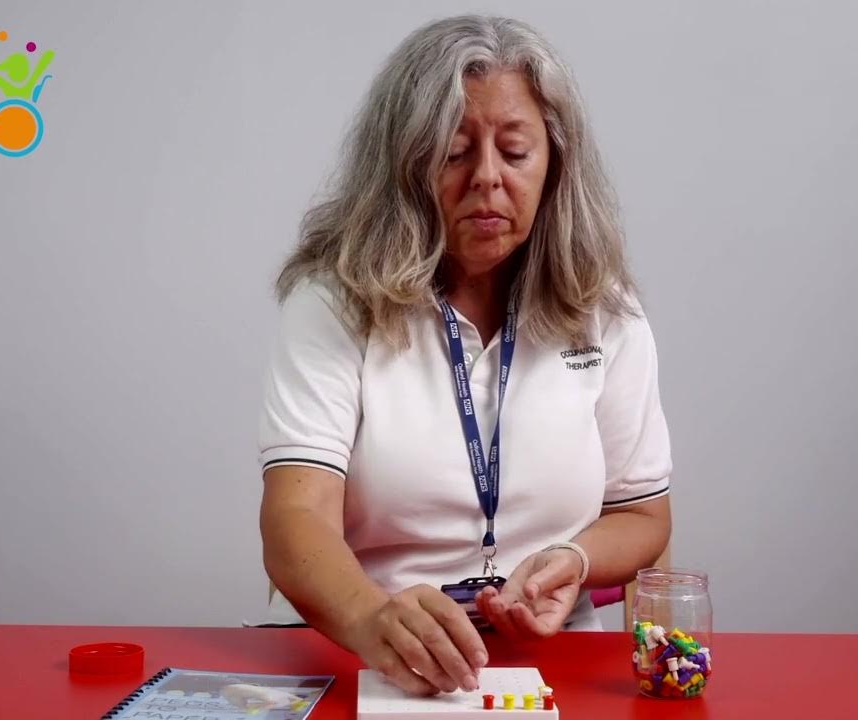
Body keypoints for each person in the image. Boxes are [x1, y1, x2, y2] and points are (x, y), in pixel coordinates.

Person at [258, 15, 673, 697]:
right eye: (453, 153)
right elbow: (294, 518)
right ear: (403, 165)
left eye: (515, 152)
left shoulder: (604, 308)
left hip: (549, 659)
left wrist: (572, 559)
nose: (486, 178)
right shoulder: (334, 300)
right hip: (361, 653)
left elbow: (644, 517)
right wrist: (371, 619)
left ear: (555, 164)